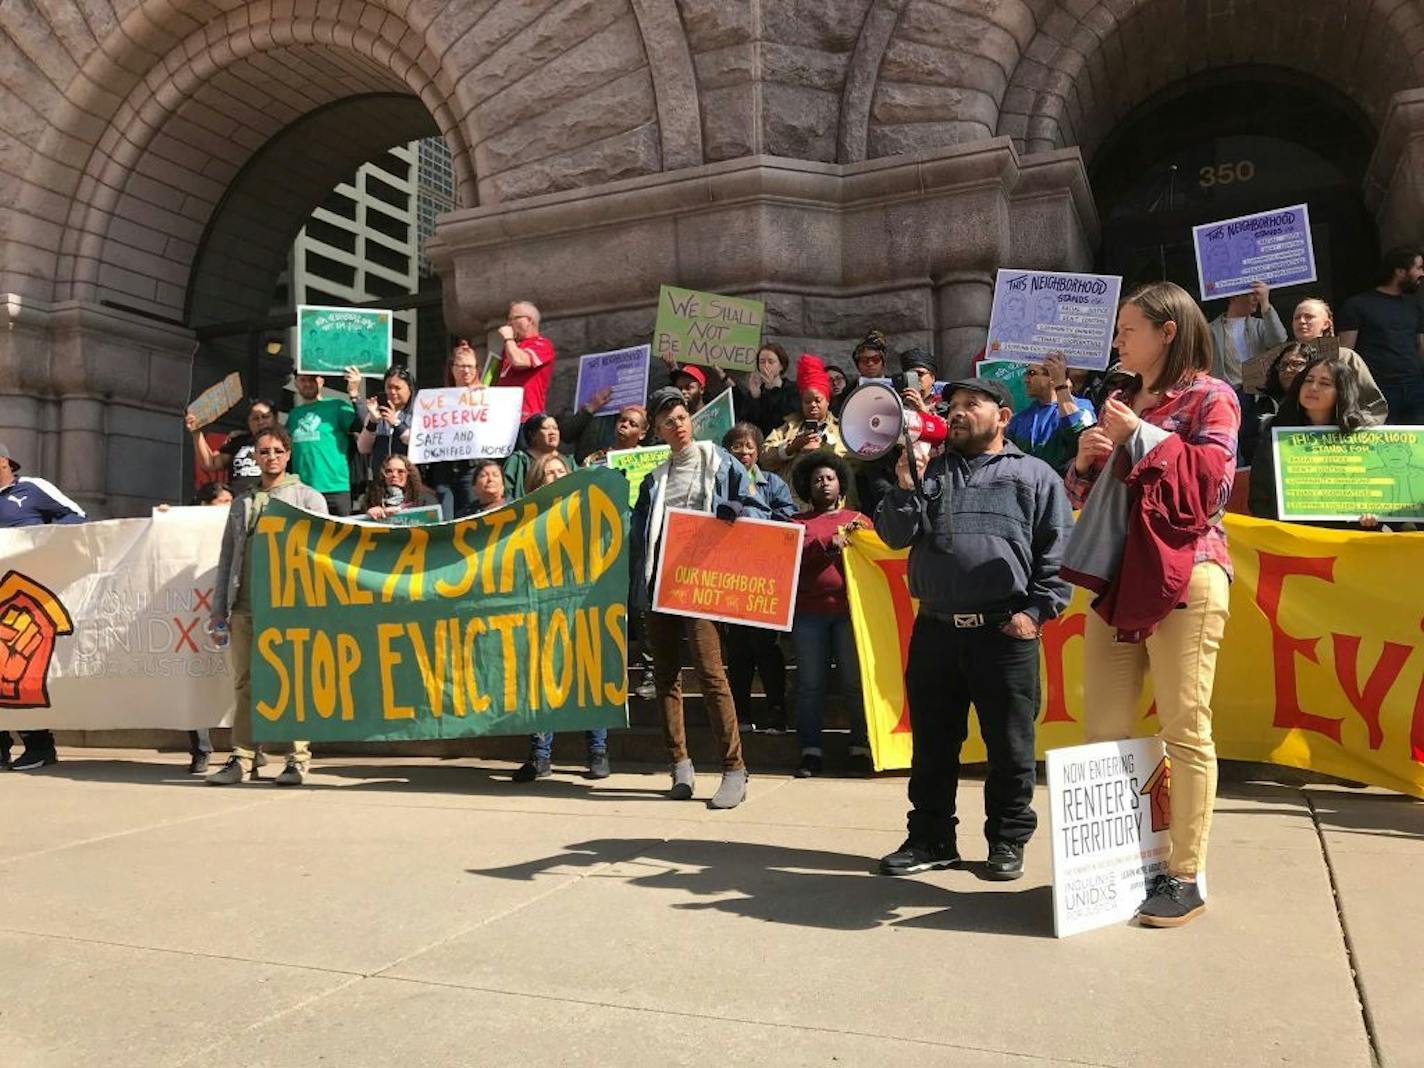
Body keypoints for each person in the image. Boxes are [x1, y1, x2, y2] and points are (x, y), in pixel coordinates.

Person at [1062, 281, 1241, 928]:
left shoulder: (1211, 397)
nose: (1116, 339)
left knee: (1184, 728)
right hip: (1120, 579)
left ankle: (1183, 873)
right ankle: (1124, 856)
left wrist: (1142, 434)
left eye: (1127, 328)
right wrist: (1084, 465)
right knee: (1103, 728)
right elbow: (1087, 499)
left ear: (1167, 332)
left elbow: (1213, 486)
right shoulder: (1118, 400)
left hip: (1188, 573)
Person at [874, 379, 1073, 881]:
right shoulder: (929, 469)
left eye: (971, 405)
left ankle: (1006, 841)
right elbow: (894, 535)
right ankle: (930, 839)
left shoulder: (1035, 474)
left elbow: (1057, 553)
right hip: (937, 631)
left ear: (1002, 416)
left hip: (1003, 634)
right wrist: (903, 487)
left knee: (1009, 747)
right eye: (952, 406)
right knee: (934, 746)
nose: (956, 414)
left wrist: (1035, 613)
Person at [629, 387, 770, 809]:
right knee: (667, 677)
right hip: (661, 585)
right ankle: (680, 765)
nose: (678, 425)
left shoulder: (720, 461)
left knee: (711, 673)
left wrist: (735, 509)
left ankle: (734, 768)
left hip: (702, 584)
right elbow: (641, 539)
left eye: (682, 416)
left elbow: (757, 506)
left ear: (691, 419)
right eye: (668, 421)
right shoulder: (654, 480)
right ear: (657, 430)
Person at [206, 424, 329, 787]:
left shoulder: (309, 498)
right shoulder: (242, 501)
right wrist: (218, 609)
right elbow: (228, 557)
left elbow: (323, 556)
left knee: (294, 681)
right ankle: (244, 757)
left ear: (288, 454)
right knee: (245, 682)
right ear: (255, 457)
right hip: (245, 604)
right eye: (264, 451)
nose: (271, 457)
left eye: (277, 450)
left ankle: (297, 759)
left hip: (291, 605)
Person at [511, 454, 610, 782]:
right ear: (537, 484)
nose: (556, 476)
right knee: (540, 680)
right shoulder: (524, 518)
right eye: (548, 473)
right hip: (540, 606)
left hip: (583, 602)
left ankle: (598, 752)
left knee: (588, 673)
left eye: (560, 471)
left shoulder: (589, 509)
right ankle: (540, 756)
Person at [0, 442, 85, 772]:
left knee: (17, 669)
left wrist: (35, 540)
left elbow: (77, 516)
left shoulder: (33, 488)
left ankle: (39, 745)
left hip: (23, 599)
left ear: (4, 461)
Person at [789, 453, 874, 777]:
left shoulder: (860, 520)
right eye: (816, 480)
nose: (823, 483)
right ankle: (810, 751)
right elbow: (790, 561)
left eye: (829, 478)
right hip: (808, 614)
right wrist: (828, 543)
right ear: (808, 489)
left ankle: (860, 748)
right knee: (811, 684)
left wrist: (859, 539)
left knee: (855, 683)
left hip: (851, 615)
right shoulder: (797, 524)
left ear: (840, 484)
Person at [1249, 357, 1386, 528]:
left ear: (1341, 392)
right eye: (1308, 380)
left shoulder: (1363, 440)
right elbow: (1259, 500)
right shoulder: (1274, 438)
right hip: (1294, 541)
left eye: (1325, 383)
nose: (1313, 388)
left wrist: (1374, 515)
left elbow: (1383, 497)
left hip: (1348, 542)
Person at [720, 423, 796, 733]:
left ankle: (776, 709)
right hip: (730, 578)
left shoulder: (774, 484)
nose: (744, 451)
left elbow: (786, 519)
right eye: (737, 445)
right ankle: (741, 713)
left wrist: (749, 511)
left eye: (749, 445)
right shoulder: (718, 483)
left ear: (759, 450)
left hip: (765, 578)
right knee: (738, 650)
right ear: (727, 452)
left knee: (766, 647)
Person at [1337, 247, 1424, 422]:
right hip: (1377, 389)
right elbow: (1345, 352)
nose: (1422, 274)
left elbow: (1421, 346)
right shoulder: (1358, 305)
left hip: (1415, 387)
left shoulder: (1415, 306)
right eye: (1419, 268)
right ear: (1400, 271)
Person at [762, 354, 858, 506]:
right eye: (807, 401)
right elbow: (765, 458)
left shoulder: (843, 432)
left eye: (818, 400)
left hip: (832, 509)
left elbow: (856, 463)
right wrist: (792, 447)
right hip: (790, 507)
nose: (813, 405)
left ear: (827, 401)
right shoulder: (788, 427)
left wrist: (823, 449)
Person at [186, 480, 233, 774]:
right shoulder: (190, 530)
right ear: (204, 507)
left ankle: (250, 749)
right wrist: (167, 520)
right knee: (195, 681)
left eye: (231, 501)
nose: (228, 508)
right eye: (222, 502)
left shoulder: (240, 525)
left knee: (238, 679)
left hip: (229, 606)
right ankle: (201, 750)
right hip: (193, 611)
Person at [1006, 351, 1097, 474]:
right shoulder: (1020, 418)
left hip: (1065, 487)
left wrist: (1060, 383)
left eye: (1031, 373)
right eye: (1026, 373)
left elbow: (1077, 432)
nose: (1026, 379)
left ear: (1052, 377)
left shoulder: (1082, 406)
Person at [288, 367, 361, 516]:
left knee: (341, 537)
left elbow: (360, 427)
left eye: (312, 379)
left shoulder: (337, 406)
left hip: (335, 487)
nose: (307, 384)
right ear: (296, 383)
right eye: (303, 380)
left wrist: (354, 393)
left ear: (321, 381)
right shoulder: (293, 415)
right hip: (303, 490)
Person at [425, 341, 484, 520]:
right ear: (452, 368)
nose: (466, 371)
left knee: (471, 517)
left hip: (471, 468)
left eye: (470, 366)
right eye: (462, 366)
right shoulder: (438, 400)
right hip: (444, 470)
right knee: (445, 518)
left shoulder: (486, 396)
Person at [1207, 280, 1287, 396]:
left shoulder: (1260, 325)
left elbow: (1279, 340)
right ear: (1233, 297)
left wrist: (1265, 303)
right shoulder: (1210, 330)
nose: (1256, 298)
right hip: (1225, 395)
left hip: (1257, 396)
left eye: (1257, 295)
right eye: (1251, 294)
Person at [185, 399, 277, 494]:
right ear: (248, 422)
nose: (261, 421)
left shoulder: (284, 441)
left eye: (265, 417)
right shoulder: (238, 440)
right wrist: (196, 433)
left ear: (275, 419)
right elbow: (211, 463)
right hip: (237, 502)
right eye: (255, 418)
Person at [1240, 342, 1309, 465]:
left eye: (1297, 364)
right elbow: (1248, 445)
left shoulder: (1320, 404)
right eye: (1283, 365)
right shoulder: (1262, 404)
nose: (1288, 370)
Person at [493, 301, 556, 419]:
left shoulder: (542, 344)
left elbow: (519, 361)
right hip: (503, 417)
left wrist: (508, 338)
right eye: (508, 320)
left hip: (526, 419)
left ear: (529, 321)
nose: (509, 324)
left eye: (513, 319)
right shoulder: (510, 348)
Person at [503, 413, 579, 501]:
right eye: (546, 428)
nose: (552, 433)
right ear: (532, 434)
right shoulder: (518, 461)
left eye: (555, 428)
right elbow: (506, 493)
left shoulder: (569, 462)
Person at [356, 365, 416, 469]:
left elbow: (415, 442)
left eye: (397, 388)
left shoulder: (417, 414)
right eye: (389, 387)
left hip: (407, 477)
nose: (392, 392)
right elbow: (363, 448)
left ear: (410, 390)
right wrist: (372, 422)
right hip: (380, 478)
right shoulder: (377, 413)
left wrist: (396, 423)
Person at [734, 343, 799, 434]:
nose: (766, 366)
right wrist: (754, 396)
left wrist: (772, 390)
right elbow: (747, 422)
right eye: (762, 362)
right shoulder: (758, 391)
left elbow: (781, 420)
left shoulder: (793, 390)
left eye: (771, 362)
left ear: (781, 366)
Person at [359, 455, 439, 520]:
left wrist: (401, 513)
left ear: (409, 474)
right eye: (389, 471)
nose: (394, 475)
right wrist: (369, 514)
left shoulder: (426, 497)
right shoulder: (372, 497)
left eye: (400, 471)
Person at [579, 403, 648, 466]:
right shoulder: (594, 459)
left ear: (642, 435)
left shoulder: (646, 458)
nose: (624, 425)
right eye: (622, 420)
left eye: (632, 424)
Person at [897, 348, 941, 415]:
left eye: (920, 374)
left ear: (932, 378)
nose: (915, 378)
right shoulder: (897, 402)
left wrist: (922, 410)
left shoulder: (942, 405)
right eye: (910, 375)